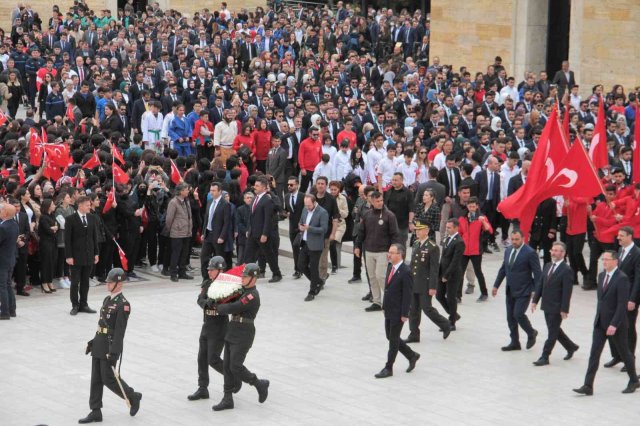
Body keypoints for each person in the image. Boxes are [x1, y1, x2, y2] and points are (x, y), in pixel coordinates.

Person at [79, 268, 142, 424]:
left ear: (119, 284)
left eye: (111, 282)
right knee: (96, 378)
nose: (108, 284)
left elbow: (120, 332)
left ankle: (132, 396)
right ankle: (95, 410)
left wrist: (115, 353)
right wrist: (93, 341)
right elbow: (102, 324)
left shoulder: (123, 305)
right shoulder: (107, 300)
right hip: (100, 342)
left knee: (108, 379)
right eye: (108, 281)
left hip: (109, 346)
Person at [573, 251, 640, 396]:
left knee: (624, 353)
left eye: (607, 260)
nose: (604, 262)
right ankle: (588, 385)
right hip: (600, 322)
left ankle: (634, 379)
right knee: (594, 354)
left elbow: (622, 304)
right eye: (603, 259)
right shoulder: (601, 275)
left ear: (616, 261)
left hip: (616, 324)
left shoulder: (622, 279)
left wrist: (614, 324)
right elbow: (601, 301)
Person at [211, 263, 270, 411]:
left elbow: (235, 307)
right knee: (227, 366)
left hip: (244, 332)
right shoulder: (241, 291)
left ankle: (258, 383)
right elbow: (231, 301)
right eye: (243, 276)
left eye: (246, 277)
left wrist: (218, 308)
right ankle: (227, 398)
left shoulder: (251, 295)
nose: (243, 279)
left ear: (254, 278)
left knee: (235, 366)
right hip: (233, 329)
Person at [188, 256, 239, 401]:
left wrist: (218, 305)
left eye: (212, 270)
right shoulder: (207, 283)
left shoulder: (228, 286)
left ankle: (234, 378)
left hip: (219, 327)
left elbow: (233, 305)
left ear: (221, 270)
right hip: (207, 326)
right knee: (201, 358)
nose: (209, 272)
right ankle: (202, 388)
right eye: (209, 269)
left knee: (213, 359)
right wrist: (207, 303)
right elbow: (200, 299)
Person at [374, 243, 420, 378]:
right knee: (390, 336)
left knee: (393, 340)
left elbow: (407, 294)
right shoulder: (390, 267)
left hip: (398, 312)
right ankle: (412, 355)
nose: (389, 254)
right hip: (389, 308)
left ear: (400, 255)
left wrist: (405, 314)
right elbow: (387, 289)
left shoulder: (406, 272)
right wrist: (384, 306)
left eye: (392, 252)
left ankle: (388, 367)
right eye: (389, 252)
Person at [530, 242, 579, 366]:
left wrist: (564, 309)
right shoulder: (547, 265)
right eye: (552, 250)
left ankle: (545, 356)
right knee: (555, 329)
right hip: (547, 305)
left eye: (557, 250)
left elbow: (567, 292)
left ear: (563, 253)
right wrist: (535, 300)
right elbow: (541, 284)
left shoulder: (566, 270)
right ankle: (571, 346)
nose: (553, 252)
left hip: (557, 307)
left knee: (552, 333)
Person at [493, 229, 541, 351]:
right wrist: (496, 285)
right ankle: (515, 342)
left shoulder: (530, 253)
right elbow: (503, 268)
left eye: (517, 239)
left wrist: (536, 290)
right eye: (512, 239)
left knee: (518, 314)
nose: (514, 242)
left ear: (523, 239)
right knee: (510, 318)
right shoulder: (508, 250)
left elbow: (538, 274)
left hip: (524, 290)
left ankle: (531, 332)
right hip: (510, 289)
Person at [405, 221, 451, 343]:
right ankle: (414, 334)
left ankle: (445, 324)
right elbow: (413, 265)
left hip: (425, 284)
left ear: (427, 230)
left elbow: (434, 269)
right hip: (414, 283)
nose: (417, 232)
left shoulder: (433, 247)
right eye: (416, 230)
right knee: (413, 310)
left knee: (427, 308)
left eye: (420, 230)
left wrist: (433, 287)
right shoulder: (415, 244)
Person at [354, 190, 400, 312]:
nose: (380, 203)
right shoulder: (367, 215)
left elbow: (395, 234)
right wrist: (357, 246)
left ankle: (390, 300)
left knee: (381, 276)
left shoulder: (389, 215)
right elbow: (361, 232)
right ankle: (377, 302)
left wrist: (393, 250)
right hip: (369, 250)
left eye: (381, 200)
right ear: (372, 201)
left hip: (383, 251)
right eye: (377, 201)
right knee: (372, 277)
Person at [603, 227, 640, 370]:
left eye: (622, 236)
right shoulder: (619, 251)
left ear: (630, 236)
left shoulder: (636, 253)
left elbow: (638, 278)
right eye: (618, 236)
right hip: (615, 295)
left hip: (629, 296)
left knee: (628, 327)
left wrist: (633, 299)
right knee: (612, 323)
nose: (618, 238)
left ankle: (629, 358)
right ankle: (617, 355)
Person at [65, 196, 100, 316]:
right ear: (80, 205)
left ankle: (84, 304)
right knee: (75, 282)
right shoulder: (70, 219)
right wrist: (68, 256)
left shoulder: (91, 218)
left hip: (89, 254)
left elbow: (94, 237)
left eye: (89, 205)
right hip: (75, 255)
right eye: (87, 205)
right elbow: (67, 239)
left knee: (85, 281)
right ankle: (75, 304)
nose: (89, 207)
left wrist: (96, 252)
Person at [244, 176, 282, 282]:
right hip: (253, 232)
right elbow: (251, 216)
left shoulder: (267, 200)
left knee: (269, 254)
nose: (254, 187)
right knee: (248, 254)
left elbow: (267, 219)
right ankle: (247, 274)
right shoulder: (255, 198)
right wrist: (249, 229)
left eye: (257, 186)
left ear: (264, 188)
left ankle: (276, 273)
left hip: (262, 233)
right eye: (255, 185)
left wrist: (265, 234)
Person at [298, 194, 329, 301]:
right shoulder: (305, 209)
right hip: (305, 242)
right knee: (301, 265)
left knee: (314, 267)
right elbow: (301, 221)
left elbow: (324, 229)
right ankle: (318, 282)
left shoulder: (322, 212)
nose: (307, 207)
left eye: (309, 205)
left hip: (316, 244)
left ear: (314, 202)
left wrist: (309, 228)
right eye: (306, 205)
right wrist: (300, 226)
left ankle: (312, 291)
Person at [437, 218, 465, 330]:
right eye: (446, 227)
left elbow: (455, 261)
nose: (446, 229)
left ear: (456, 228)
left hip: (453, 274)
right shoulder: (447, 238)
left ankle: (452, 322)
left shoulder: (459, 242)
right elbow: (443, 257)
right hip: (443, 271)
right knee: (439, 295)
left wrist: (446, 275)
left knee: (451, 297)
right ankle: (454, 314)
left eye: (449, 227)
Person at [200, 182, 231, 279]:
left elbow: (227, 222)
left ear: (220, 191)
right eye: (210, 190)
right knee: (204, 257)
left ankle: (220, 279)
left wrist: (222, 236)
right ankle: (205, 279)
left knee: (219, 259)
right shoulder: (209, 202)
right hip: (208, 234)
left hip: (218, 235)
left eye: (214, 191)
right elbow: (206, 218)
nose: (211, 192)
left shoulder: (225, 204)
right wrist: (203, 232)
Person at [164, 183, 194, 282]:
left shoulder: (186, 201)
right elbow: (169, 219)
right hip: (177, 232)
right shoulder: (173, 202)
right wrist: (172, 229)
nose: (188, 191)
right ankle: (173, 273)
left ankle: (182, 272)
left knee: (184, 253)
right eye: (186, 189)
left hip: (187, 231)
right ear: (181, 191)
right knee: (176, 253)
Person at [0, 203, 19, 320]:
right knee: (7, 285)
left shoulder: (3, 227)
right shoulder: (14, 224)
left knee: (2, 286)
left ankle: (5, 312)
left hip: (2, 260)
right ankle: (12, 310)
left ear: (5, 213)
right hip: (10, 258)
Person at [285, 177, 304, 279]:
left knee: (302, 248)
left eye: (291, 185)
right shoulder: (287, 197)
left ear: (297, 185)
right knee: (295, 248)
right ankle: (297, 269)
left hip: (302, 227)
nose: (289, 186)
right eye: (288, 184)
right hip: (292, 227)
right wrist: (285, 213)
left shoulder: (303, 196)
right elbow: (286, 210)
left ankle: (302, 267)